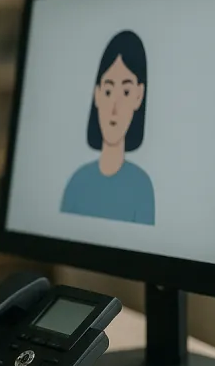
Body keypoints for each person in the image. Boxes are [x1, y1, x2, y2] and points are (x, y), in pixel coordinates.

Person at [60, 29, 155, 225]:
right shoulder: (76, 183)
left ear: (139, 96)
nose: (114, 107)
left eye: (126, 92)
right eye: (109, 90)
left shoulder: (141, 188)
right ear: (97, 94)